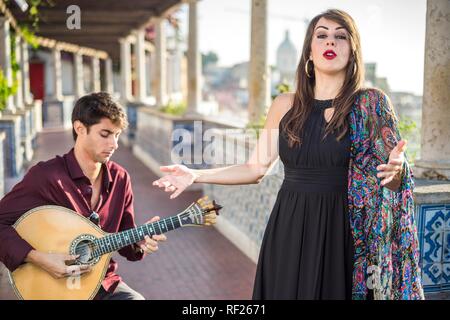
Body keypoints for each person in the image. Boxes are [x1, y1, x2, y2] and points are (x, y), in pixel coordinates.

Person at [153, 9, 424, 300]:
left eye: (340, 36)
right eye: (321, 35)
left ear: (353, 50)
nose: (330, 42)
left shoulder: (371, 103)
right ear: (309, 50)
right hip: (289, 227)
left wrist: (397, 172)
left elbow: (393, 182)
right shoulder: (284, 105)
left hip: (343, 232)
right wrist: (196, 173)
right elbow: (255, 168)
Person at [0, 92, 167, 300]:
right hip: (53, 288)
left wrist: (140, 242)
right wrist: (39, 258)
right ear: (80, 128)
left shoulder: (120, 178)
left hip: (102, 283)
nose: (114, 144)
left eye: (117, 135)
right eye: (105, 134)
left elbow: (126, 239)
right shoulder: (46, 177)